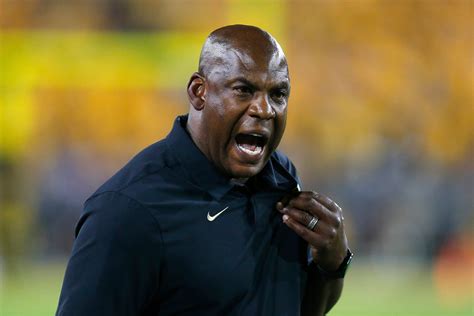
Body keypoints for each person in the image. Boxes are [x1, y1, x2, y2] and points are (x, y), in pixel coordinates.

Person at [56, 24, 352, 316]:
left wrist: (332, 262)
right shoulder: (128, 211)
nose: (265, 110)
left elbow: (294, 306)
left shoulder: (281, 179)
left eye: (278, 94)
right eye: (244, 90)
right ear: (199, 92)